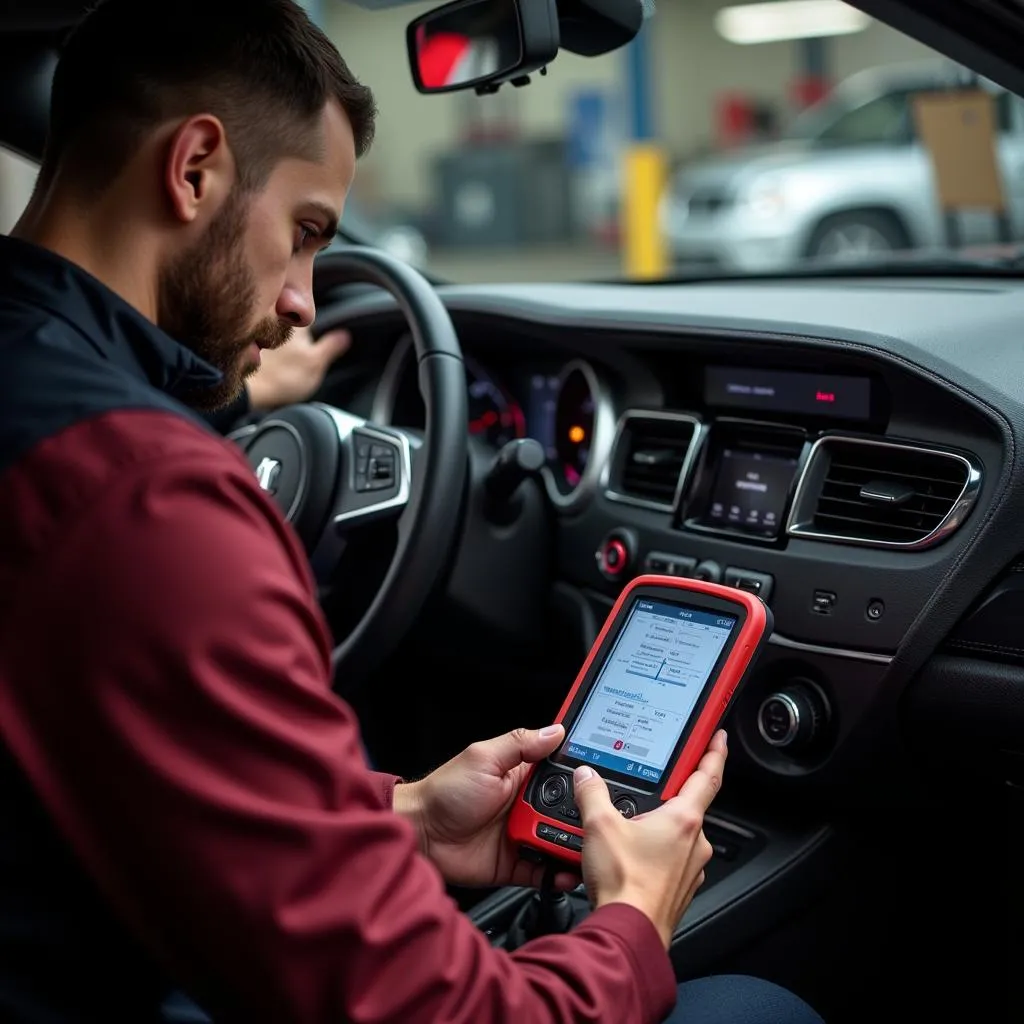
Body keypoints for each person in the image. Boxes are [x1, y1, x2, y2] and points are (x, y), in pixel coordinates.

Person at [0, 1, 825, 1022]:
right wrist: (631, 921)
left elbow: (122, 785)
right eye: (305, 233)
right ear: (196, 167)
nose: (304, 299)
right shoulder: (150, 499)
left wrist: (402, 818)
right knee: (755, 1007)